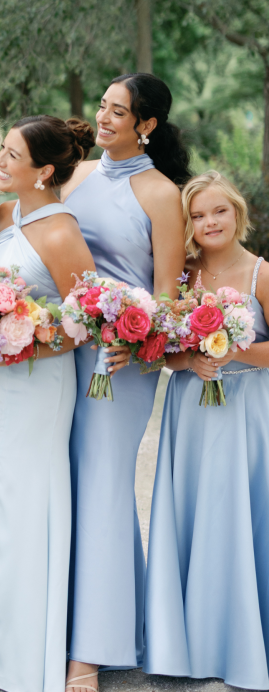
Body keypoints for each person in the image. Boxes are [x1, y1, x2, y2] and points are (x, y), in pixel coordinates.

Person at [0, 116, 96, 690]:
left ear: (44, 171)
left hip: (38, 381)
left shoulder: (60, 231)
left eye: (12, 155)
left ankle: (16, 654)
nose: (0, 162)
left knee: (17, 503)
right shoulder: (9, 214)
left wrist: (27, 340)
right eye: (2, 151)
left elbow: (86, 321)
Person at [61, 73, 190, 691]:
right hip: (64, 348)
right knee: (65, 484)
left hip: (122, 362)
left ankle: (93, 647)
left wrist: (131, 338)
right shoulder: (79, 175)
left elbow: (166, 297)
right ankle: (59, 625)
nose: (104, 118)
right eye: (103, 107)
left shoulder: (163, 194)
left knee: (105, 488)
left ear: (147, 125)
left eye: (119, 112)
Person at [144, 171, 269, 688]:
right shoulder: (183, 275)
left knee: (241, 515)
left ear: (237, 213)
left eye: (218, 211)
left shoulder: (261, 273)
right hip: (191, 407)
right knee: (194, 513)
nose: (208, 222)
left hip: (246, 409)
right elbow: (165, 351)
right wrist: (189, 356)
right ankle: (183, 645)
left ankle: (244, 643)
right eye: (197, 215)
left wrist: (231, 346)